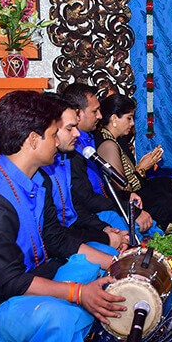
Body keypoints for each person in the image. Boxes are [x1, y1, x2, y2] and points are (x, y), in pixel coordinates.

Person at [0, 91, 125, 341]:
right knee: (58, 315)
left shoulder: (37, 179)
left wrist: (117, 263)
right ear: (33, 140)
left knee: (94, 269)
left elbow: (56, 238)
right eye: (53, 134)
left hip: (35, 275)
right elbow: (9, 282)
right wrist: (78, 293)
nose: (59, 142)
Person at [40, 93, 129, 254]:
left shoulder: (65, 158)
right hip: (58, 247)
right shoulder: (42, 172)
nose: (77, 133)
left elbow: (74, 210)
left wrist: (104, 230)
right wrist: (104, 238)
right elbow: (55, 235)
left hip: (75, 230)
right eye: (69, 128)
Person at [61, 83, 155, 235]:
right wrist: (126, 207)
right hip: (93, 215)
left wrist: (126, 198)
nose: (99, 116)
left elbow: (109, 183)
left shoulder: (89, 139)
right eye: (95, 111)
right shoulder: (71, 150)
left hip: (107, 206)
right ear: (77, 114)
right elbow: (86, 199)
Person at [96, 94, 172, 230]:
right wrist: (142, 168)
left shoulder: (116, 139)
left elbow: (127, 175)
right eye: (129, 118)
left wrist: (141, 165)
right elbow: (123, 189)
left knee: (166, 183)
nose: (132, 123)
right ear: (114, 118)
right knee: (165, 201)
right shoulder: (108, 144)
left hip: (131, 192)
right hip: (123, 200)